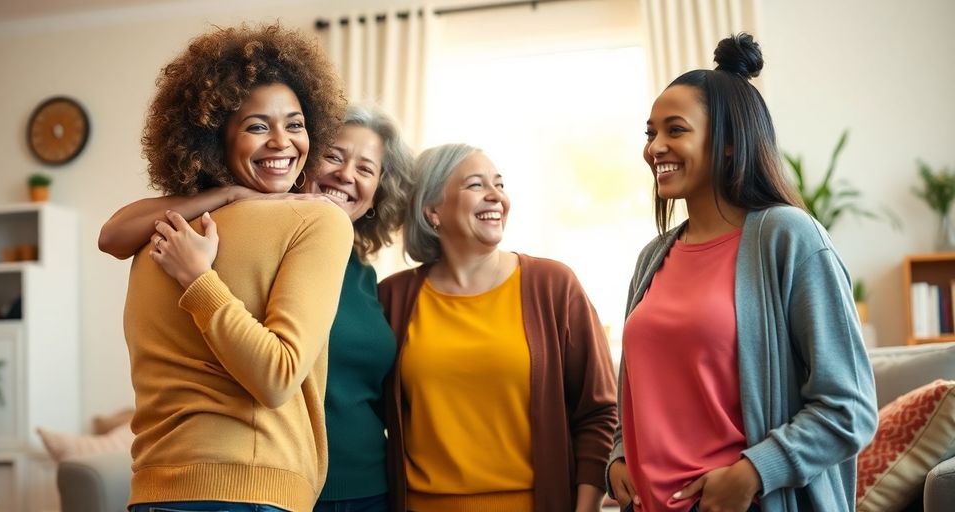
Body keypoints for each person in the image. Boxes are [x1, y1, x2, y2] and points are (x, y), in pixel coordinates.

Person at [605, 33, 877, 512]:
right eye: (650, 134)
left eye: (675, 130)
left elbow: (849, 408)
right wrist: (620, 454)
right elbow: (642, 391)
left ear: (729, 144)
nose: (655, 148)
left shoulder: (788, 238)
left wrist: (754, 472)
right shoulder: (652, 259)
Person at [99, 105, 414, 511]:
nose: (346, 174)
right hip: (280, 480)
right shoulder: (251, 236)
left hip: (370, 486)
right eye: (335, 156)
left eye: (366, 169)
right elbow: (112, 236)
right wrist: (226, 196)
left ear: (376, 195)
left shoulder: (368, 280)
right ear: (305, 160)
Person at [118, 24, 354, 512]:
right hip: (250, 490)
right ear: (214, 136)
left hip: (154, 492)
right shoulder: (316, 220)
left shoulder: (155, 233)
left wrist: (223, 196)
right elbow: (277, 375)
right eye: (257, 126)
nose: (282, 142)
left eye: (295, 124)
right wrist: (201, 282)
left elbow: (109, 235)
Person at [377, 144, 618, 512]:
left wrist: (585, 508)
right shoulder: (393, 298)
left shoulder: (553, 285)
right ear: (432, 211)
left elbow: (599, 412)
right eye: (476, 185)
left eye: (499, 184)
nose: (496, 197)